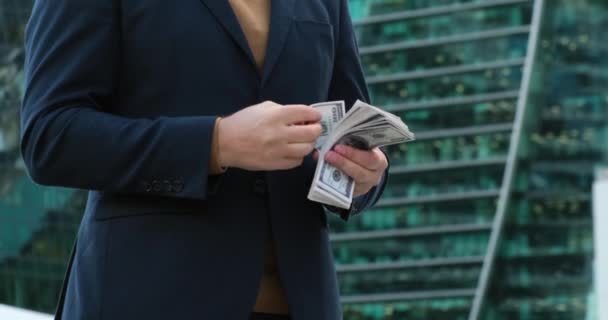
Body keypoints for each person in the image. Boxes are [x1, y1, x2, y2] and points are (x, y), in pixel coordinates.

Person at [21, 0, 389, 319]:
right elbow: (50, 135)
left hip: (302, 303)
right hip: (151, 298)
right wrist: (215, 144)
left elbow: (352, 126)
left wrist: (365, 176)